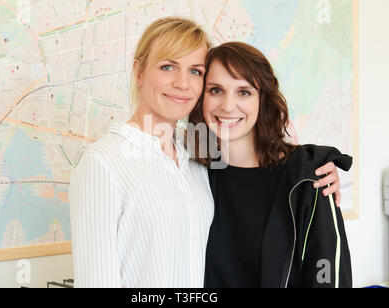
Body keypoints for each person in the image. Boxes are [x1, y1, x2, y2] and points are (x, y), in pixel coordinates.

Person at [69, 17, 343, 288]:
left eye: (195, 72)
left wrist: (311, 170)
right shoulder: (103, 163)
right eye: (167, 67)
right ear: (139, 72)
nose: (182, 83)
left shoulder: (196, 159)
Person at [188, 42, 352, 288]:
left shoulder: (309, 176)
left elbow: (328, 277)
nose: (228, 105)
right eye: (215, 90)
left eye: (244, 92)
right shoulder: (191, 171)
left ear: (262, 99)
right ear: (201, 98)